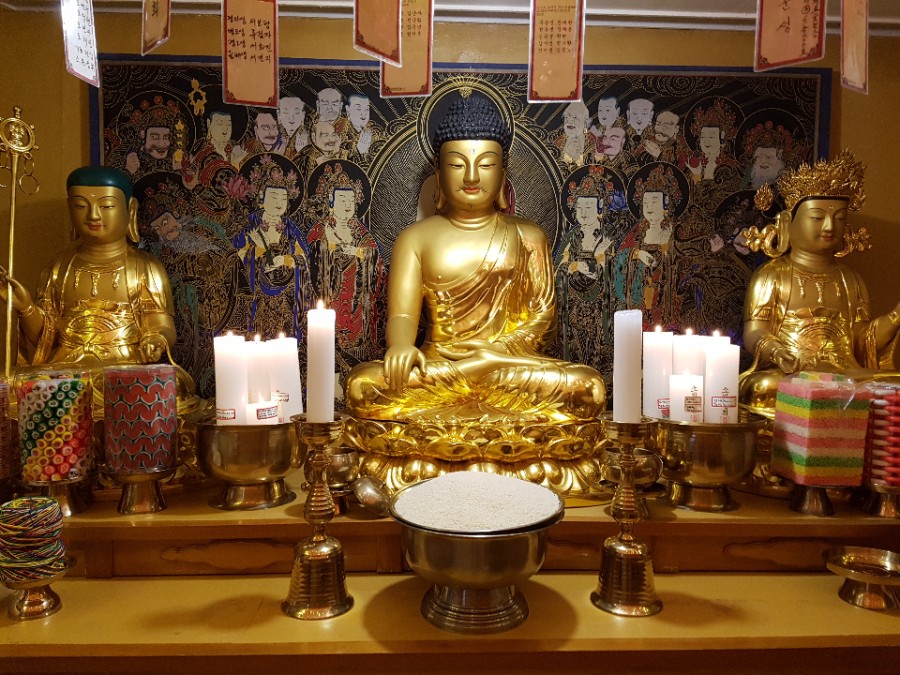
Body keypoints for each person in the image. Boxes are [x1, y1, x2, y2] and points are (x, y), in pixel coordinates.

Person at [345, 94, 606, 423]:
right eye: (457, 164)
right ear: (439, 173)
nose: (471, 177)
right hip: (437, 367)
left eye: (485, 165)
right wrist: (400, 346)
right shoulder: (414, 238)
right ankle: (482, 400)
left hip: (507, 367)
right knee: (362, 386)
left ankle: (459, 402)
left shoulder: (528, 235)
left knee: (588, 387)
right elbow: (402, 315)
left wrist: (497, 354)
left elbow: (543, 319)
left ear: (502, 173)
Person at [0, 166, 200, 414]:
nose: (93, 215)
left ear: (130, 209)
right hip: (65, 371)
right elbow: (45, 339)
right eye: (80, 206)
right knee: (9, 381)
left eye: (106, 206)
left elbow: (161, 325)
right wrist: (25, 307)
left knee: (170, 383)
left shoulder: (145, 267)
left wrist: (155, 339)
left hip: (124, 368)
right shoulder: (57, 269)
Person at [739, 149, 900, 414]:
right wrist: (777, 352)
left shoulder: (851, 280)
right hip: (791, 372)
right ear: (788, 222)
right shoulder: (772, 274)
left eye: (839, 219)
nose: (829, 227)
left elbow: (863, 340)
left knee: (890, 384)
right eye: (817, 217)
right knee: (762, 387)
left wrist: (895, 316)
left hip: (844, 373)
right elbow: (755, 332)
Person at [232, 158, 311, 338]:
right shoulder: (250, 225)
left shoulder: (291, 228)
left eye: (283, 198)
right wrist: (258, 250)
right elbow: (237, 259)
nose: (279, 202)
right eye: (274, 197)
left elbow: (304, 259)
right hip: (257, 296)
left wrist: (284, 260)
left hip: (286, 298)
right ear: (262, 198)